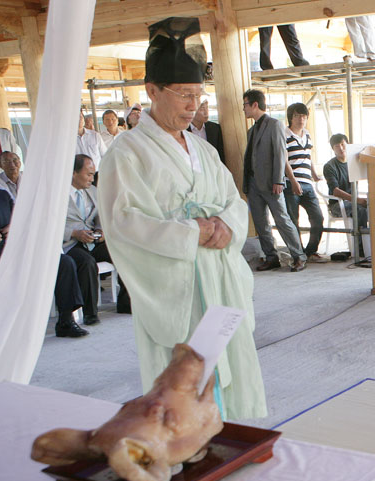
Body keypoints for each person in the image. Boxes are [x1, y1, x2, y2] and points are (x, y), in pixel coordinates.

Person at [97, 16, 267, 419]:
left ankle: (230, 432)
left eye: (198, 94)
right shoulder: (127, 152)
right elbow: (124, 222)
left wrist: (227, 223)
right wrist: (191, 232)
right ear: (152, 91)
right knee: (184, 370)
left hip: (219, 274)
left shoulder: (203, 149)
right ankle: (185, 442)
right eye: (183, 95)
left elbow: (233, 198)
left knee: (229, 362)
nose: (194, 105)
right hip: (178, 281)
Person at [0, 148, 87, 336]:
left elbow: (25, 220)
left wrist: (16, 226)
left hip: (17, 252)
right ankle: (17, 326)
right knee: (8, 274)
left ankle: (66, 321)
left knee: (63, 262)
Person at [242, 88, 307, 272]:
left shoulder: (274, 125)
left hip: (272, 183)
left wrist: (279, 180)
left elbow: (280, 153)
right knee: (261, 222)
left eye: (245, 104)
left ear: (255, 104)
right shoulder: (252, 130)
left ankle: (299, 256)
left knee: (282, 220)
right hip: (253, 183)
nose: (244, 109)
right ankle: (271, 257)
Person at [64, 154, 130, 324]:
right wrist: (74, 233)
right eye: (88, 174)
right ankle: (90, 313)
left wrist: (101, 231)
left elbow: (101, 218)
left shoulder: (93, 191)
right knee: (86, 262)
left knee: (123, 251)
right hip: (70, 244)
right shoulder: (59, 195)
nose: (92, 178)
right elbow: (50, 224)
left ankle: (126, 302)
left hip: (92, 241)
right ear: (73, 173)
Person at [282, 102, 326, 263]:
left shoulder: (307, 134)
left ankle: (310, 251)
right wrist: (293, 181)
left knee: (318, 217)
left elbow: (308, 157)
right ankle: (298, 254)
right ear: (290, 118)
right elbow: (284, 160)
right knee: (293, 220)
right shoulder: (284, 134)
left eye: (304, 116)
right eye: (297, 116)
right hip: (290, 183)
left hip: (307, 183)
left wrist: (314, 174)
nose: (301, 119)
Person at [323, 133, 368, 257]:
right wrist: (357, 200)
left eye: (343, 145)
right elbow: (335, 191)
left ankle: (371, 244)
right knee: (361, 210)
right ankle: (360, 249)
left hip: (354, 201)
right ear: (333, 149)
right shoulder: (329, 166)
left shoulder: (353, 163)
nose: (341, 148)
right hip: (337, 205)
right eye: (337, 146)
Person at [186, 99, 225, 165]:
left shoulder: (214, 128)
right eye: (202, 109)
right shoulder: (183, 130)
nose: (206, 112)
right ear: (193, 110)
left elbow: (220, 154)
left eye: (207, 108)